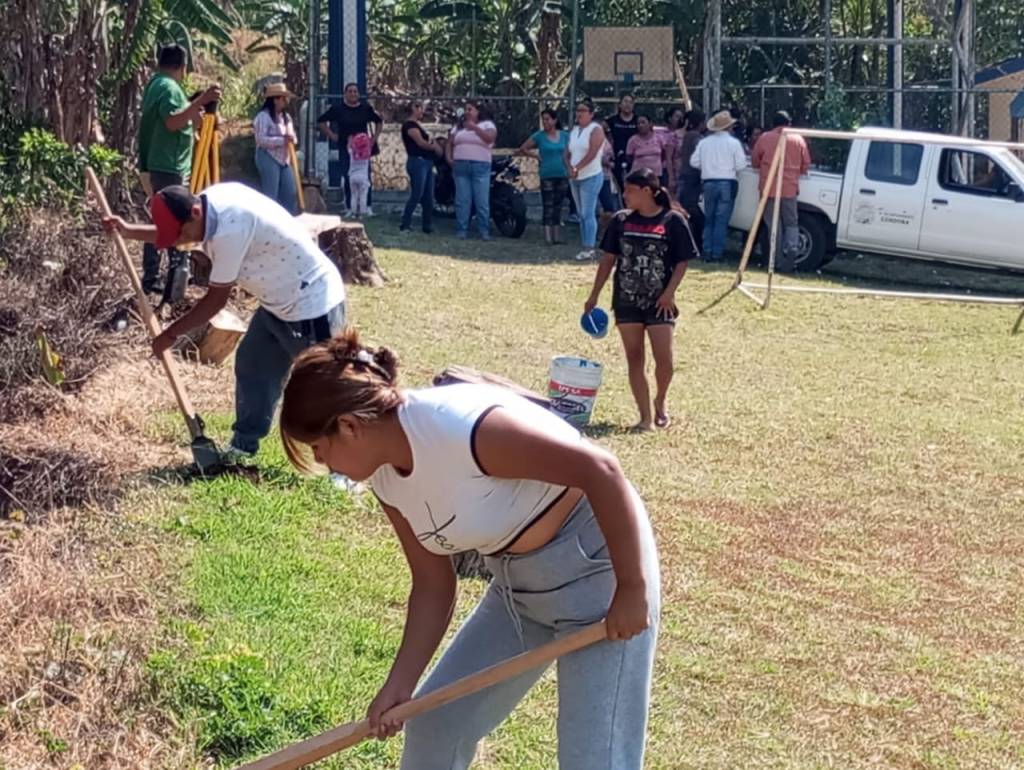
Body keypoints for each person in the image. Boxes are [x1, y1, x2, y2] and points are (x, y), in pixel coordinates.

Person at [278, 328, 661, 770]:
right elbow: (432, 582)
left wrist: (631, 589)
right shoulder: (383, 474)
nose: (323, 464)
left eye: (319, 449)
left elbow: (601, 470)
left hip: (601, 578)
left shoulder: (460, 431)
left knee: (594, 759)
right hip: (518, 589)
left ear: (349, 426)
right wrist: (400, 684)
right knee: (436, 725)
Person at [100, 183, 345, 462]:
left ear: (194, 212)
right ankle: (243, 447)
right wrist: (127, 230)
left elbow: (215, 301)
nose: (179, 242)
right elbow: (176, 231)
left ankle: (344, 468)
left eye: (179, 234)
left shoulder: (231, 227)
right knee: (252, 366)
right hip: (277, 303)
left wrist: (169, 335)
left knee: (324, 388)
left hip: (312, 303)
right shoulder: (206, 209)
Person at [584, 169, 696, 431]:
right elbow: (608, 259)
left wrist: (669, 294)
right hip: (626, 299)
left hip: (660, 303)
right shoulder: (620, 221)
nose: (624, 196)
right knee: (635, 359)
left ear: (647, 191)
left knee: (665, 361)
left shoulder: (672, 220)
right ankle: (645, 417)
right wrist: (594, 295)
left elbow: (682, 262)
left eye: (629, 190)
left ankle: (660, 400)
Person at [138, 44, 221, 297]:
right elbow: (173, 122)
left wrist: (196, 112)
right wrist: (203, 100)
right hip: (167, 165)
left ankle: (160, 278)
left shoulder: (156, 84)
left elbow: (179, 120)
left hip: (160, 163)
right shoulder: (169, 88)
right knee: (173, 220)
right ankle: (167, 281)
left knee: (162, 219)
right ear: (183, 67)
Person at [751, 111, 812, 272]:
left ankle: (775, 259)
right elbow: (806, 165)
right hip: (790, 188)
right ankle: (791, 250)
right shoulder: (798, 139)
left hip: (769, 189)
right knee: (791, 223)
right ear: (789, 123)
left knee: (773, 225)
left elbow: (755, 162)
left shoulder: (765, 138)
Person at [690, 110, 747, 262]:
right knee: (721, 220)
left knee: (709, 218)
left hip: (708, 182)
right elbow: (741, 165)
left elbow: (693, 162)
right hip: (727, 183)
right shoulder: (734, 143)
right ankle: (717, 253)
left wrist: (707, 167)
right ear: (729, 127)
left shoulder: (704, 142)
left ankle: (706, 250)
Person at [317, 83, 383, 216]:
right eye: (350, 91)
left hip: (363, 151)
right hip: (345, 148)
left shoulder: (365, 108)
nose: (353, 94)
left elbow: (379, 122)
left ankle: (367, 206)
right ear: (345, 94)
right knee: (348, 176)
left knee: (365, 176)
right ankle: (349, 207)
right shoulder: (338, 109)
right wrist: (332, 135)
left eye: (355, 91)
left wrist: (373, 139)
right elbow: (321, 121)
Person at [446, 100, 497, 241]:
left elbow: (489, 138)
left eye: (470, 109)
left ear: (478, 112)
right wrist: (449, 158)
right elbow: (450, 143)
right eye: (466, 109)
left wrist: (474, 128)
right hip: (461, 167)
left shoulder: (487, 125)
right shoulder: (458, 128)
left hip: (480, 166)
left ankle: (483, 230)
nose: (467, 112)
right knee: (462, 200)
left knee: (481, 200)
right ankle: (462, 230)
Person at [517, 108, 569, 245]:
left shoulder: (564, 135)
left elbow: (570, 151)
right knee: (548, 205)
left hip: (562, 173)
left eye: (548, 119)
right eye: (543, 119)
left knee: (558, 205)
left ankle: (557, 236)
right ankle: (547, 236)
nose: (545, 122)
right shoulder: (539, 136)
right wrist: (536, 156)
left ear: (554, 120)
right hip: (547, 173)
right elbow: (523, 148)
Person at [565, 100, 606, 261]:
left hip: (591, 175)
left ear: (591, 114)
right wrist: (569, 167)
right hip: (575, 177)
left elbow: (593, 152)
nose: (579, 113)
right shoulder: (574, 131)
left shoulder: (596, 129)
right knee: (581, 214)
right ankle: (584, 245)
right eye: (577, 110)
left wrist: (578, 167)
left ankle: (590, 248)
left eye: (583, 110)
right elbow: (567, 153)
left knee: (588, 212)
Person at [253, 82, 299, 214]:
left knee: (290, 192)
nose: (286, 101)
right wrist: (282, 140)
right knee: (270, 193)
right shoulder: (263, 117)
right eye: (283, 98)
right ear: (275, 100)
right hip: (267, 156)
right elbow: (261, 140)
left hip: (284, 160)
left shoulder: (286, 118)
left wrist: (291, 139)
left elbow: (292, 137)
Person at [400, 101, 442, 233]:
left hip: (428, 162)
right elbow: (420, 143)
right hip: (418, 162)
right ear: (414, 108)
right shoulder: (410, 125)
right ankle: (405, 223)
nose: (422, 112)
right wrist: (433, 146)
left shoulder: (419, 125)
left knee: (429, 196)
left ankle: (427, 225)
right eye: (420, 109)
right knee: (417, 193)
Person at [676, 109, 706, 247]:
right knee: (694, 212)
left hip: (684, 175)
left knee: (685, 209)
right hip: (693, 177)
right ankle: (695, 242)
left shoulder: (687, 135)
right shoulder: (697, 138)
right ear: (700, 123)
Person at [607, 94, 639, 192]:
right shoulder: (612, 121)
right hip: (617, 158)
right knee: (619, 187)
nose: (628, 104)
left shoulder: (638, 121)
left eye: (630, 102)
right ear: (620, 104)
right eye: (625, 101)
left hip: (634, 159)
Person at [347, 132, 373, 218]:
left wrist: (350, 141)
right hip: (363, 177)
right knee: (363, 196)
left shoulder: (352, 153)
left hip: (352, 176)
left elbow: (348, 148)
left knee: (354, 195)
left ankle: (353, 212)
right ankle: (362, 212)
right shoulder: (366, 155)